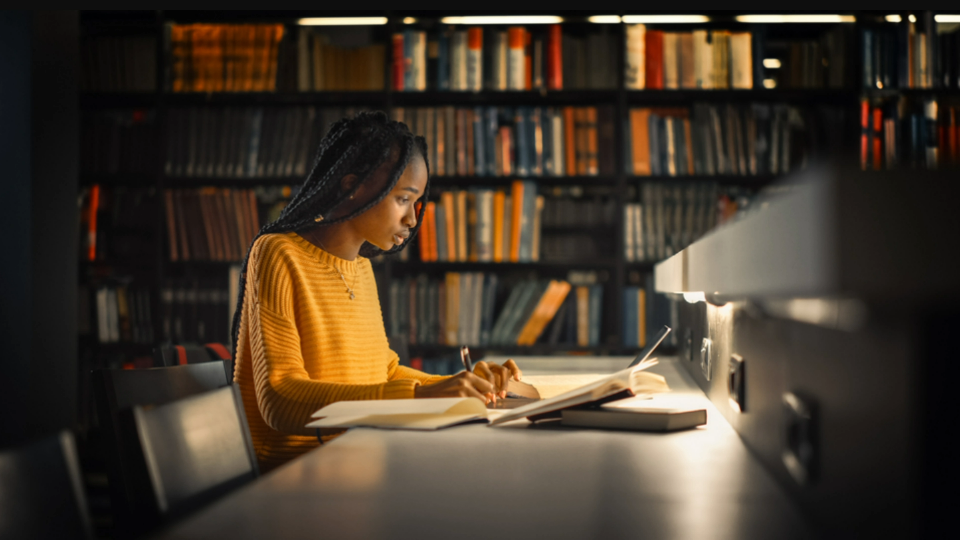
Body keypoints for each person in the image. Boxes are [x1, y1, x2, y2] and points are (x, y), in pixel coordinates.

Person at [231, 111, 521, 472]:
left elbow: (384, 374)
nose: (413, 220)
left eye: (416, 204)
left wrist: (462, 385)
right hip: (297, 474)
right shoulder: (278, 254)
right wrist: (419, 396)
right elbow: (279, 398)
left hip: (360, 461)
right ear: (353, 187)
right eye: (403, 199)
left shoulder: (362, 269)